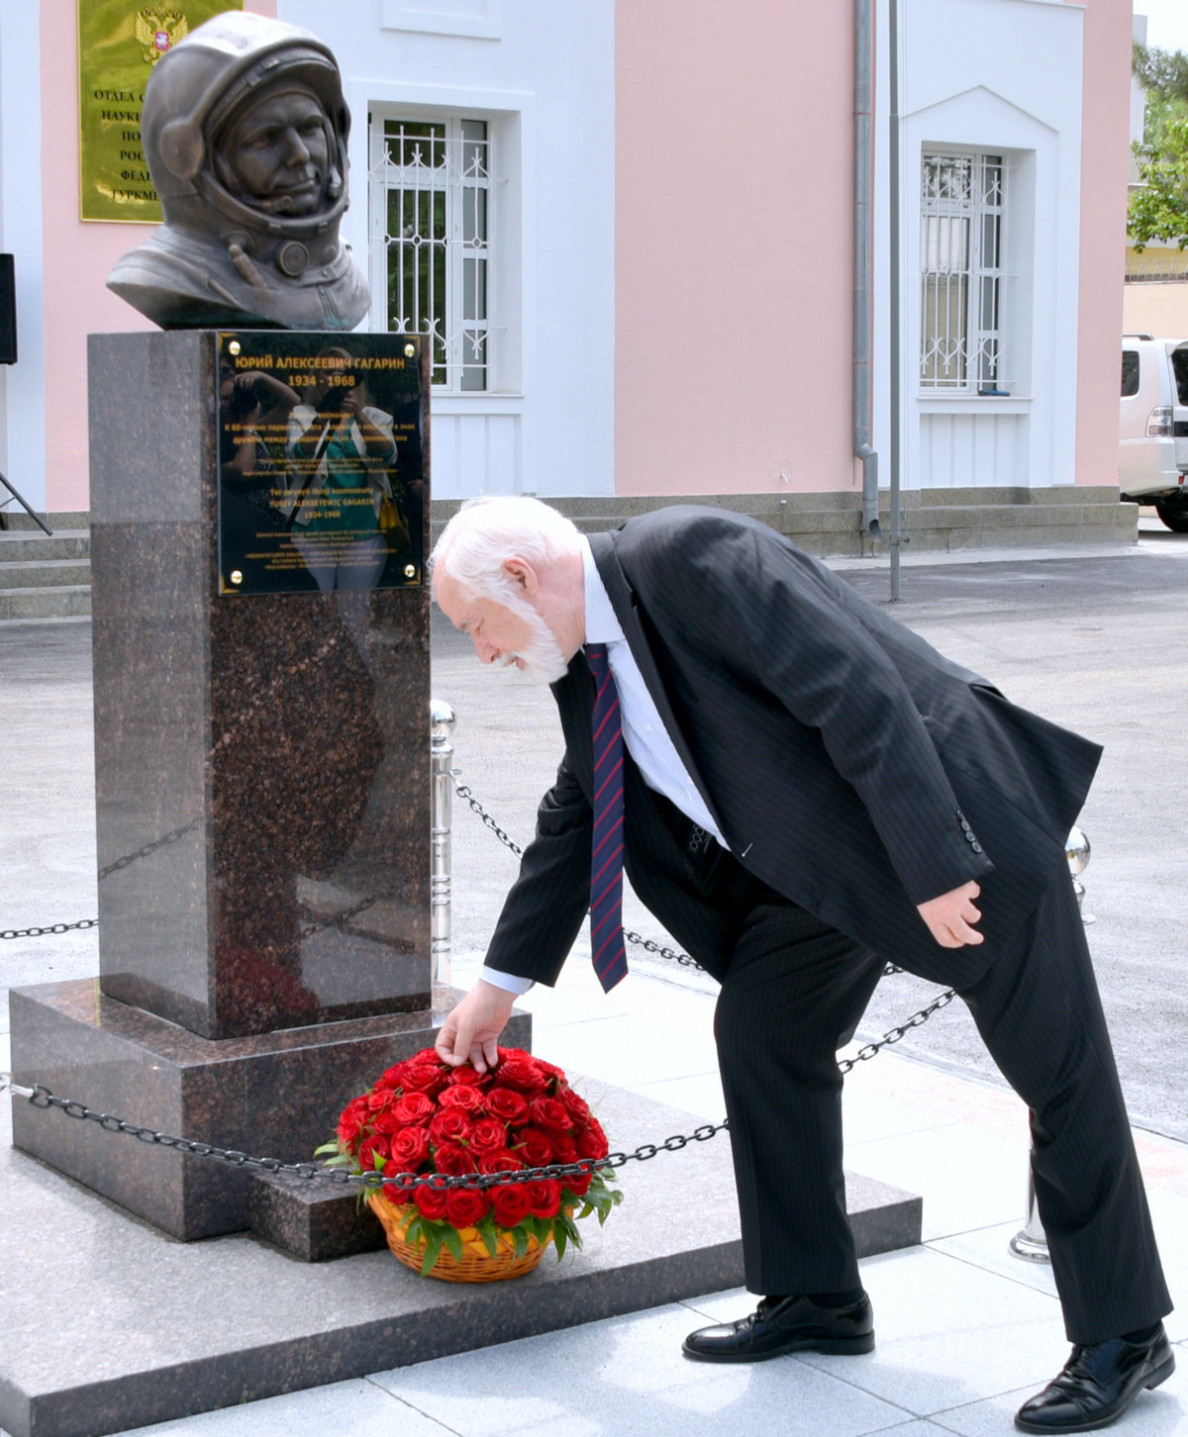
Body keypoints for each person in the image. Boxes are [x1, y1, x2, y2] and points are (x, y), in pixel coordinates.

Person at [429, 496, 1174, 1436]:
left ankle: (1125, 1333)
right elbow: (579, 811)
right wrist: (498, 989)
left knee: (1056, 1069)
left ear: (525, 581)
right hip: (824, 872)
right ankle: (814, 1297)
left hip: (954, 827)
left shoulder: (689, 554)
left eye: (477, 626)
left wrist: (937, 862)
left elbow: (853, 684)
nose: (484, 653)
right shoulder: (583, 666)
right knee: (764, 1029)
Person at [107, 12, 369, 330]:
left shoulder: (347, 283)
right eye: (264, 138)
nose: (299, 155)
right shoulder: (167, 276)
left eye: (310, 127)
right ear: (191, 159)